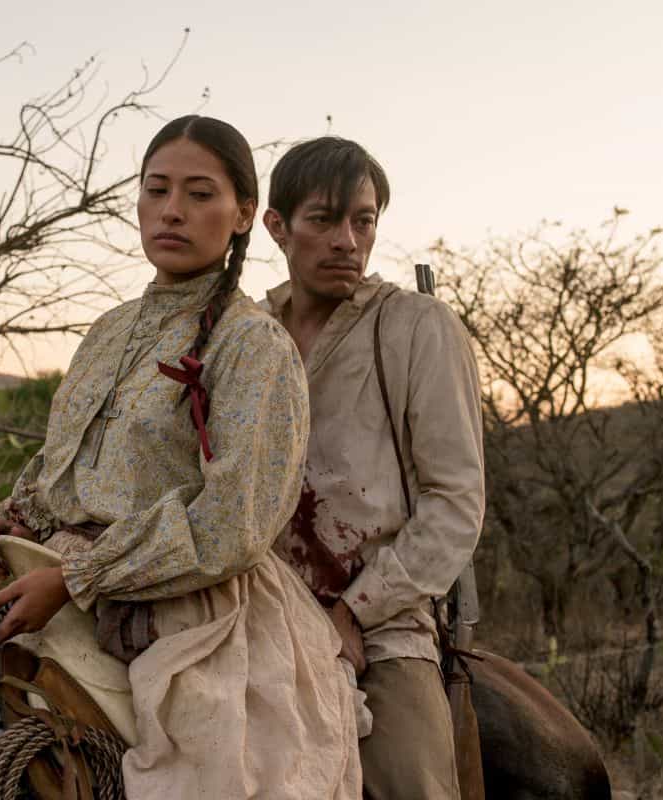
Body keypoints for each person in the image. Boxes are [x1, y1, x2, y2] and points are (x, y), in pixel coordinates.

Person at [0, 115, 360, 799]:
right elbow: (66, 463)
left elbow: (234, 526)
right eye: (157, 190)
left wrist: (78, 578)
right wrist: (18, 518)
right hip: (56, 578)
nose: (173, 211)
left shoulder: (253, 347)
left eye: (200, 194)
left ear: (244, 213)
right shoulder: (109, 329)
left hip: (192, 609)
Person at [259, 136, 486, 800]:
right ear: (277, 226)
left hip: (382, 623)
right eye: (324, 220)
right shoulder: (247, 334)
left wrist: (358, 612)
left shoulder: (417, 326)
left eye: (363, 221)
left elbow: (455, 503)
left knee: (407, 779)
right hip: (255, 612)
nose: (348, 241)